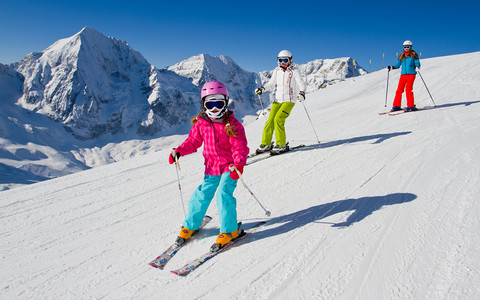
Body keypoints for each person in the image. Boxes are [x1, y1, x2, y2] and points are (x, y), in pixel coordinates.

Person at [169, 81, 249, 252]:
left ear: (225, 102)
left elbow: (240, 147)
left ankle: (230, 231)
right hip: (211, 168)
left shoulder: (233, 124)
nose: (214, 109)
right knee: (201, 194)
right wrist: (179, 151)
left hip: (230, 168)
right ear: (203, 104)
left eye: (218, 104)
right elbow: (193, 141)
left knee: (223, 194)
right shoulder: (201, 123)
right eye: (209, 104)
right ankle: (190, 225)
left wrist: (239, 165)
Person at [254, 50, 306, 154]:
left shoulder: (294, 71)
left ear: (290, 60)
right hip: (278, 100)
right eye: (280, 60)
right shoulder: (277, 71)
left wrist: (302, 93)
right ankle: (266, 143)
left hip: (289, 100)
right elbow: (271, 83)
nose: (283, 62)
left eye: (285, 60)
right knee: (270, 121)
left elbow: (301, 83)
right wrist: (262, 89)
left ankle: (281, 144)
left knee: (278, 119)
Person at [388, 40, 421, 112]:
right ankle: (396, 105)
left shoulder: (413, 55)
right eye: (405, 47)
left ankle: (411, 106)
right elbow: (397, 65)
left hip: (411, 74)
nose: (406, 48)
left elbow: (417, 62)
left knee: (408, 89)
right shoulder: (402, 56)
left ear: (410, 47)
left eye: (408, 47)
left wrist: (418, 66)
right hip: (403, 75)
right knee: (399, 90)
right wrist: (392, 67)